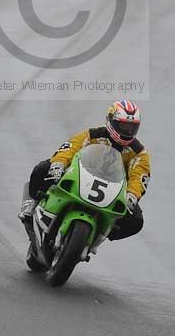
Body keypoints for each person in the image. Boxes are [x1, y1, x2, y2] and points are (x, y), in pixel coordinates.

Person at [19, 100, 151, 243]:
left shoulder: (139, 153)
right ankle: (32, 204)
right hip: (81, 176)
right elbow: (70, 148)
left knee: (136, 220)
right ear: (111, 121)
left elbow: (139, 175)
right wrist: (58, 164)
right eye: (124, 125)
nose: (128, 131)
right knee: (43, 168)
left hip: (113, 189)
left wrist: (132, 194)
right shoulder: (92, 135)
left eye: (132, 127)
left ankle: (102, 231)